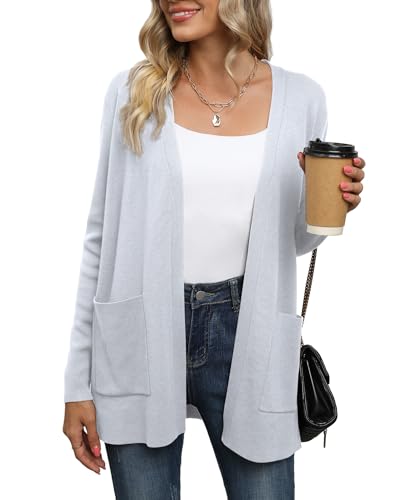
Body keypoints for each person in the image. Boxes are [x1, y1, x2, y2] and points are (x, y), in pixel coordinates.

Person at [62, 1, 366, 498]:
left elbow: (291, 241)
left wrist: (334, 207)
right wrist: (77, 383)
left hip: (249, 328)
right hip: (139, 335)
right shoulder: (133, 92)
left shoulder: (301, 98)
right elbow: (102, 236)